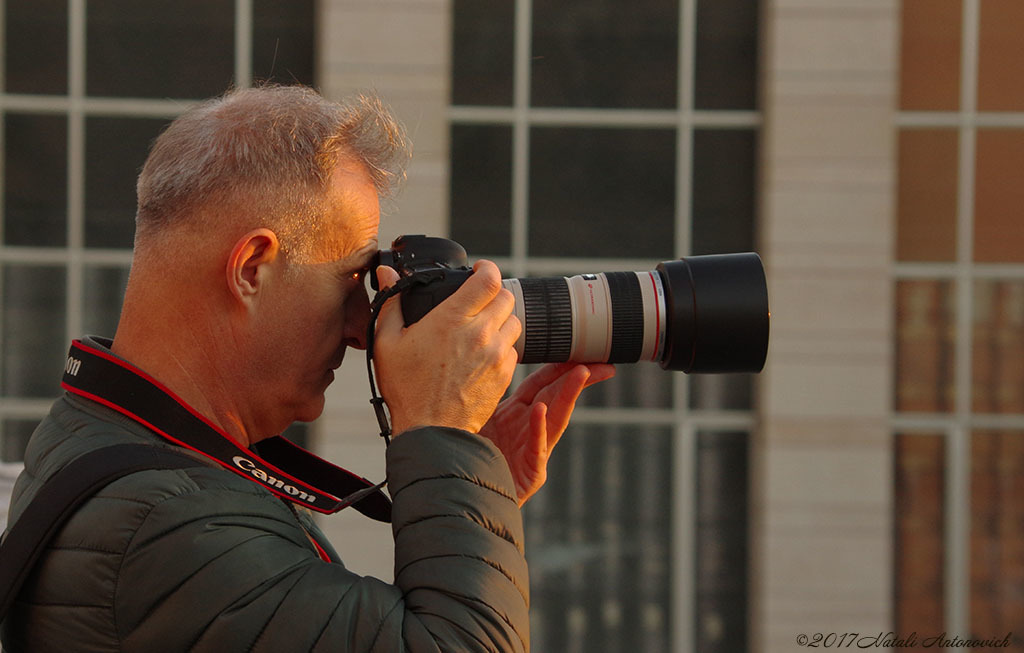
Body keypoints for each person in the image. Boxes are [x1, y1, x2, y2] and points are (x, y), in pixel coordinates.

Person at [1, 85, 613, 652]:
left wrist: (470, 487)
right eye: (350, 280)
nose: (358, 328)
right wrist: (439, 432)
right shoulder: (168, 522)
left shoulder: (117, 444)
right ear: (251, 268)